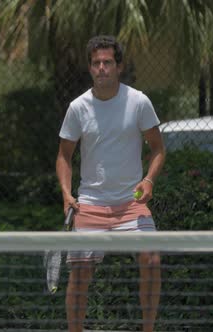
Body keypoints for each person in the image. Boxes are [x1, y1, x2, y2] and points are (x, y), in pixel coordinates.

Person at [56, 35, 166, 332]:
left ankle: (148, 330)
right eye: (96, 63)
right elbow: (64, 156)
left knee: (152, 260)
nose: (101, 68)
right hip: (90, 203)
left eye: (107, 62)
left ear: (119, 66)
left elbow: (158, 148)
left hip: (132, 203)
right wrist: (67, 194)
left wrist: (148, 180)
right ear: (90, 68)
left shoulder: (139, 102)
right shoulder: (78, 107)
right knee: (79, 275)